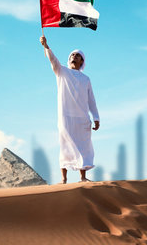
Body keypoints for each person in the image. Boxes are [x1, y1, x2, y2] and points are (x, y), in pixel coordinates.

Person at [40, 35, 100, 183]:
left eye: (78, 55)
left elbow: (91, 100)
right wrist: (46, 46)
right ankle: (64, 179)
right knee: (65, 145)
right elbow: (53, 60)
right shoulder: (62, 72)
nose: (74, 56)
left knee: (84, 147)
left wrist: (96, 117)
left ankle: (83, 178)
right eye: (72, 54)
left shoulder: (86, 79)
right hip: (65, 117)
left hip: (82, 118)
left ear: (82, 61)